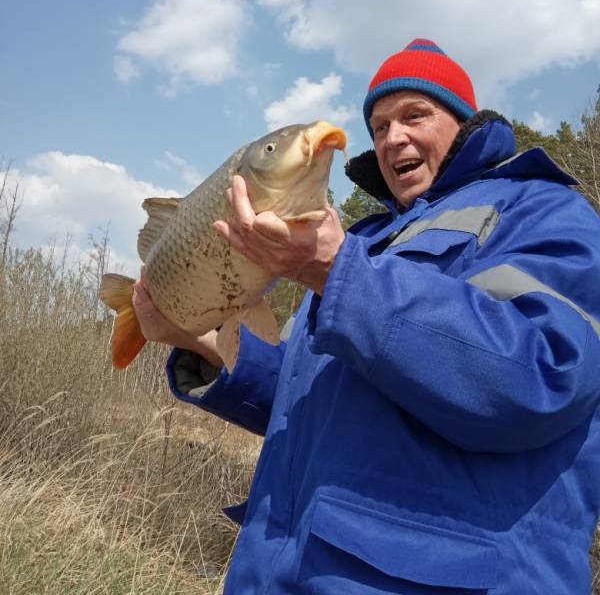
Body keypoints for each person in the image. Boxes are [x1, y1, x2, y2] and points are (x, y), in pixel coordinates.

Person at [133, 38, 600, 594]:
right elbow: (310, 399)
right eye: (378, 127)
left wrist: (337, 274)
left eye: (414, 115)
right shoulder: (364, 242)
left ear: (464, 123)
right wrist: (207, 342)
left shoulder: (543, 210)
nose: (392, 137)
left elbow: (543, 376)